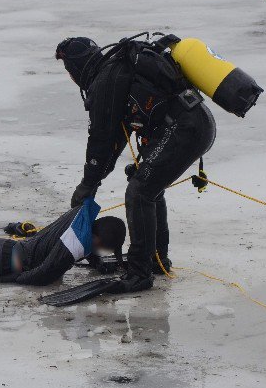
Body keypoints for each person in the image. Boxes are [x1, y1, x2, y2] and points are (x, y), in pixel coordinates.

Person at [56, 35, 217, 293]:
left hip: (185, 129)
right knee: (147, 185)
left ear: (77, 67)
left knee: (139, 192)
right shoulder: (117, 71)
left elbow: (102, 141)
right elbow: (117, 139)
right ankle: (155, 260)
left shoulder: (105, 82)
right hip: (196, 123)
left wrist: (88, 184)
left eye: (67, 69)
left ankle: (140, 273)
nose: (70, 76)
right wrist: (95, 179)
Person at [0, 197, 126, 286]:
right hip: (2, 262)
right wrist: (10, 279)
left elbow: (87, 243)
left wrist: (96, 262)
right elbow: (42, 276)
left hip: (2, 247)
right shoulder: (72, 247)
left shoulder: (81, 215)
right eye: (102, 248)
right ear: (97, 239)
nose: (99, 251)